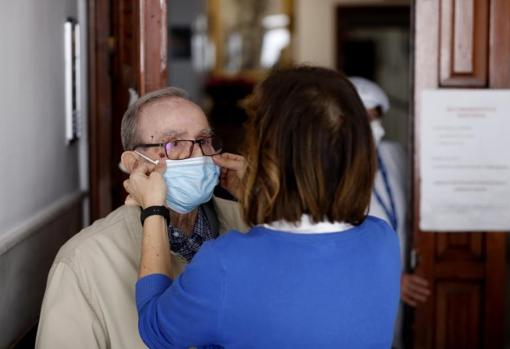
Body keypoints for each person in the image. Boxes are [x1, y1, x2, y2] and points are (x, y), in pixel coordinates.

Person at [125, 66, 402, 348]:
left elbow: (154, 329)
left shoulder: (225, 264)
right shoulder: (382, 239)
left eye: (204, 141)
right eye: (176, 144)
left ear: (265, 150)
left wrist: (153, 211)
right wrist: (260, 188)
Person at [35, 87, 248, 349]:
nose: (200, 156)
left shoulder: (252, 226)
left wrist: (261, 202)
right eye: (175, 144)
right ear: (134, 163)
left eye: (204, 141)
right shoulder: (84, 261)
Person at [349, 77, 431, 347]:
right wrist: (390, 280)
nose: (377, 130)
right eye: (367, 119)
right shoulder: (325, 170)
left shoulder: (394, 154)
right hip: (358, 294)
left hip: (404, 293)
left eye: (377, 119)